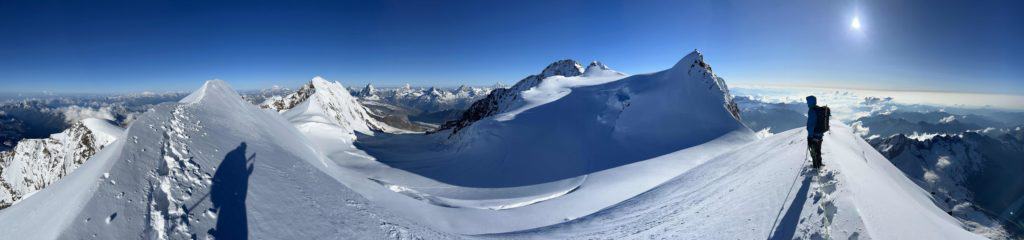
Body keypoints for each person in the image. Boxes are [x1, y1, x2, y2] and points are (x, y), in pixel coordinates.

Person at [806, 96, 824, 169]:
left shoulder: (812, 110)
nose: (807, 103)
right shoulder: (818, 109)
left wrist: (810, 136)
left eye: (808, 102)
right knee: (818, 149)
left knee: (813, 150)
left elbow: (811, 125)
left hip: (814, 135)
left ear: (810, 102)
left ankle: (815, 166)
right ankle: (819, 163)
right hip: (820, 134)